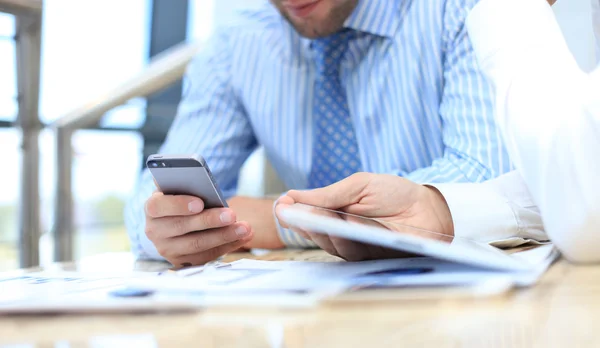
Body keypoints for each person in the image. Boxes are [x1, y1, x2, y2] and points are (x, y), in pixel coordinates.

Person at [124, 0, 512, 266]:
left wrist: (281, 220)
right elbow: (148, 200)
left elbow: (491, 179)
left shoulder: (457, 9)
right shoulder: (237, 43)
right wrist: (166, 226)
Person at [276, 0, 600, 263]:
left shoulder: (451, 10)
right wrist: (441, 212)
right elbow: (586, 181)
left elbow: (582, 217)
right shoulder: (246, 32)